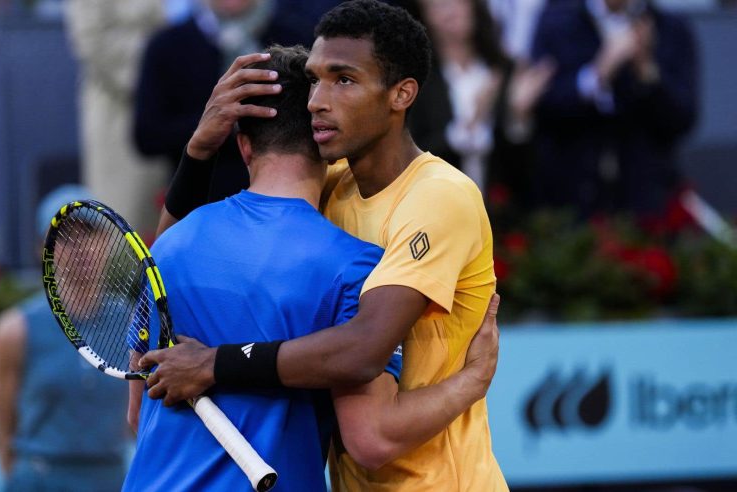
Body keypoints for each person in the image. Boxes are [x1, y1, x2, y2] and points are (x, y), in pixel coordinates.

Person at [145, 1, 507, 490]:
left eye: (344, 80)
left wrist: (213, 363)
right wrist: (199, 151)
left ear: (401, 95)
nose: (317, 99)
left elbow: (363, 351)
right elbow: (165, 265)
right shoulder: (333, 185)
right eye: (314, 80)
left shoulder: (440, 196)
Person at [0, 185, 129, 492]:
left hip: (110, 478)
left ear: (107, 242)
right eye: (64, 237)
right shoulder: (16, 329)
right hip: (39, 479)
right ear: (43, 249)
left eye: (89, 233)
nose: (79, 248)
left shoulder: (134, 322)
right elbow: (3, 421)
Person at [530, 0, 698, 219]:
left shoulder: (670, 28)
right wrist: (598, 74)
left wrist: (647, 72)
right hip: (571, 204)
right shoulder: (558, 23)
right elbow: (541, 108)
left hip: (646, 203)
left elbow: (683, 117)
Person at [405, 0, 554, 209]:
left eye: (458, 2)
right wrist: (469, 123)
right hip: (437, 212)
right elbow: (412, 153)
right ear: (423, 15)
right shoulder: (417, 80)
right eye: (438, 5)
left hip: (501, 216)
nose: (451, 11)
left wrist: (518, 115)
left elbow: (522, 168)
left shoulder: (503, 69)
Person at [132, 0, 275, 200]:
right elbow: (147, 136)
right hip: (199, 198)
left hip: (277, 194)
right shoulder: (166, 46)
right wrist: (214, 126)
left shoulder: (290, 35)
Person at [64, 0, 170, 237]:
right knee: (124, 220)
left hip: (176, 109)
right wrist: (159, 66)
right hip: (120, 112)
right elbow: (92, 40)